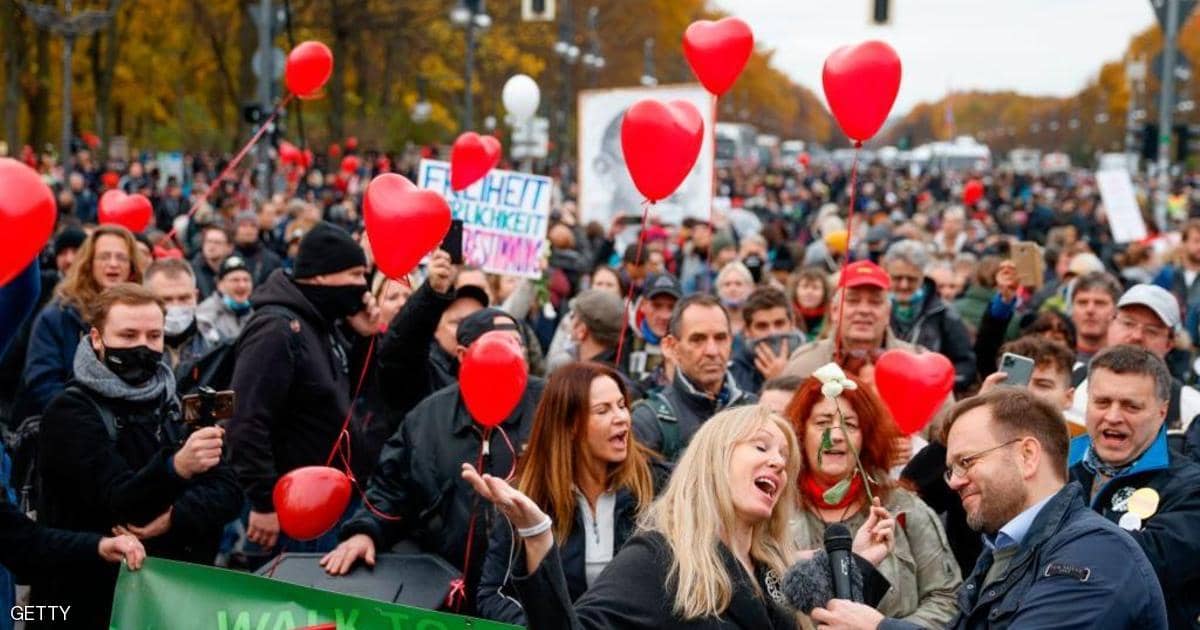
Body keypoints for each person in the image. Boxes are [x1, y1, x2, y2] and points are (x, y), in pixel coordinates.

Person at [464, 404, 897, 629]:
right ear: (713, 461)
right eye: (762, 447)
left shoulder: (774, 568)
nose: (779, 464)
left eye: (785, 457)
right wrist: (538, 539)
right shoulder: (659, 558)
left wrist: (857, 565)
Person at [813, 388, 1167, 629]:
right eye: (952, 468)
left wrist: (879, 628)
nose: (953, 482)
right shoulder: (1004, 553)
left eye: (967, 461)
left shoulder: (1097, 554)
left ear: (1026, 456)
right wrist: (859, 570)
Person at [33, 283, 241, 629]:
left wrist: (177, 516)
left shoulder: (173, 402)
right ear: (97, 339)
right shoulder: (71, 410)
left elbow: (228, 491)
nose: (142, 347)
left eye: (153, 335)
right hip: (85, 601)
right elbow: (119, 503)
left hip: (168, 598)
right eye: (128, 335)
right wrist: (177, 468)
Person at [321, 308, 545, 614]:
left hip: (520, 600)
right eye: (497, 345)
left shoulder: (550, 409)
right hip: (439, 595)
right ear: (464, 354)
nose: (511, 354)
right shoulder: (428, 417)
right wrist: (365, 530)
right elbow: (390, 487)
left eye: (517, 344)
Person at [228, 221, 379, 553]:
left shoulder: (321, 324)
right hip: (288, 510)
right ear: (322, 276)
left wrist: (365, 338)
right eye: (355, 274)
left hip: (326, 502)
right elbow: (245, 421)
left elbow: (344, 394)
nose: (363, 285)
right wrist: (264, 502)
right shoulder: (276, 329)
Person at [477, 361, 666, 625]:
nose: (622, 417)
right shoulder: (528, 496)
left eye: (622, 405)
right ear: (570, 425)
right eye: (603, 410)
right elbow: (493, 594)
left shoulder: (658, 485)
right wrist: (548, 623)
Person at [787, 375, 961, 628]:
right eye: (823, 422)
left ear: (865, 438)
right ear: (800, 434)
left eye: (850, 424)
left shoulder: (903, 507)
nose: (836, 436)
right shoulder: (774, 511)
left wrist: (881, 628)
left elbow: (947, 598)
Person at [1069, 345, 1200, 628]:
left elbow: (1141, 564)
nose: (1113, 416)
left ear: (1162, 412)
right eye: (1102, 402)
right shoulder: (1051, 465)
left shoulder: (1191, 487)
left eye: (1131, 406)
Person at [22, 225, 142, 416]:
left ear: (132, 266)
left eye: (121, 257)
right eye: (104, 256)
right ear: (89, 263)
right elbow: (42, 383)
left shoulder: (145, 315)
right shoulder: (58, 315)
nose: (113, 264)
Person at [632, 294, 756, 461]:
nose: (712, 351)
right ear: (671, 347)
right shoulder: (648, 422)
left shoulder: (753, 410)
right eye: (698, 339)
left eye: (720, 338)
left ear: (731, 342)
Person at [1067, 284, 1200, 438]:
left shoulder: (1189, 407)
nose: (1137, 335)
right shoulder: (1069, 381)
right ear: (1111, 324)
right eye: (1128, 323)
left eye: (1152, 330)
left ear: (1170, 342)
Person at [375, 249, 490, 420]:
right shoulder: (422, 374)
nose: (471, 331)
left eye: (478, 322)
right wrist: (433, 290)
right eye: (458, 323)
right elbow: (400, 349)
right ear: (435, 328)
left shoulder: (493, 378)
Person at [783, 261, 936, 389]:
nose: (864, 310)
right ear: (835, 311)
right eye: (853, 300)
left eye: (875, 302)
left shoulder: (919, 365)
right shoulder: (805, 364)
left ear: (888, 313)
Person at [882, 240, 976, 392]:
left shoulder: (945, 314)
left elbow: (965, 365)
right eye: (897, 278)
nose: (904, 285)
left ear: (922, 277)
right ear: (887, 275)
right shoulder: (877, 311)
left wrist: (935, 384)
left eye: (911, 279)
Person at [731, 287, 801, 394]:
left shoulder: (809, 359)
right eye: (762, 326)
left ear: (792, 323)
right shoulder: (735, 372)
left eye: (779, 323)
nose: (772, 333)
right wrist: (776, 383)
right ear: (747, 331)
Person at [143, 258, 209, 370]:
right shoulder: (134, 348)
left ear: (196, 297)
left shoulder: (214, 344)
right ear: (146, 299)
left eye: (184, 298)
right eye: (166, 299)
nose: (175, 306)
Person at [545, 290, 628, 372]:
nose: (569, 324)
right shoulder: (616, 376)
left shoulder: (583, 380)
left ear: (582, 331)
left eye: (573, 317)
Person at [627, 273, 681, 393]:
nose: (664, 315)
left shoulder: (686, 348)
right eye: (657, 305)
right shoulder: (626, 342)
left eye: (671, 307)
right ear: (643, 305)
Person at [195, 255, 255, 344]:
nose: (242, 285)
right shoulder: (205, 313)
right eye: (235, 280)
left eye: (246, 280)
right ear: (220, 285)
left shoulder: (253, 313)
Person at [1068, 271, 1121, 366]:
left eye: (1100, 303)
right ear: (1071, 310)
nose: (1090, 310)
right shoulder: (1057, 360)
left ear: (1116, 311)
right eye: (1082, 302)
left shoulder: (1127, 363)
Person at [232, 210, 283, 287]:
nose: (249, 230)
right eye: (243, 225)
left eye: (253, 226)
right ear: (236, 229)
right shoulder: (226, 256)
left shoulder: (272, 259)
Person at [789, 267, 830, 342]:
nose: (809, 292)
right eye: (805, 286)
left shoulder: (831, 319)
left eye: (815, 287)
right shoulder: (787, 317)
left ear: (824, 293)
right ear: (795, 290)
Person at [191, 224, 233, 299]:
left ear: (229, 248)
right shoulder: (192, 271)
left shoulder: (234, 270)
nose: (211, 246)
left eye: (217, 242)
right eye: (208, 241)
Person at [716, 261, 755, 337]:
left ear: (750, 288)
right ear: (719, 290)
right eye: (727, 284)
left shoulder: (757, 320)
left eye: (738, 284)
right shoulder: (712, 321)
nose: (732, 289)